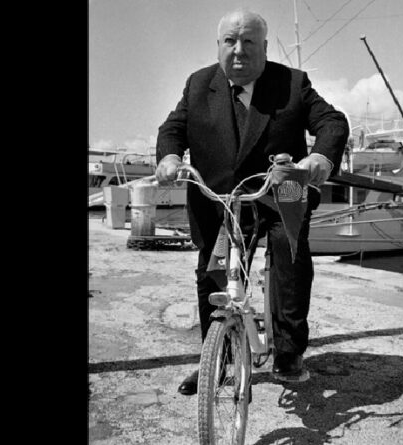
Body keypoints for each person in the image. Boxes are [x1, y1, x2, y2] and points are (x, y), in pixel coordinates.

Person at [155, 8, 349, 396]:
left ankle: (289, 352)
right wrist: (169, 156)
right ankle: (219, 357)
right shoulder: (197, 84)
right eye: (230, 41)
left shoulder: (292, 83)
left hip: (281, 191)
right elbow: (172, 128)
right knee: (213, 269)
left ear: (264, 46)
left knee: (288, 254)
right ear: (219, 45)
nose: (239, 50)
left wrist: (319, 158)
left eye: (248, 42)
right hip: (221, 198)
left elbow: (332, 121)